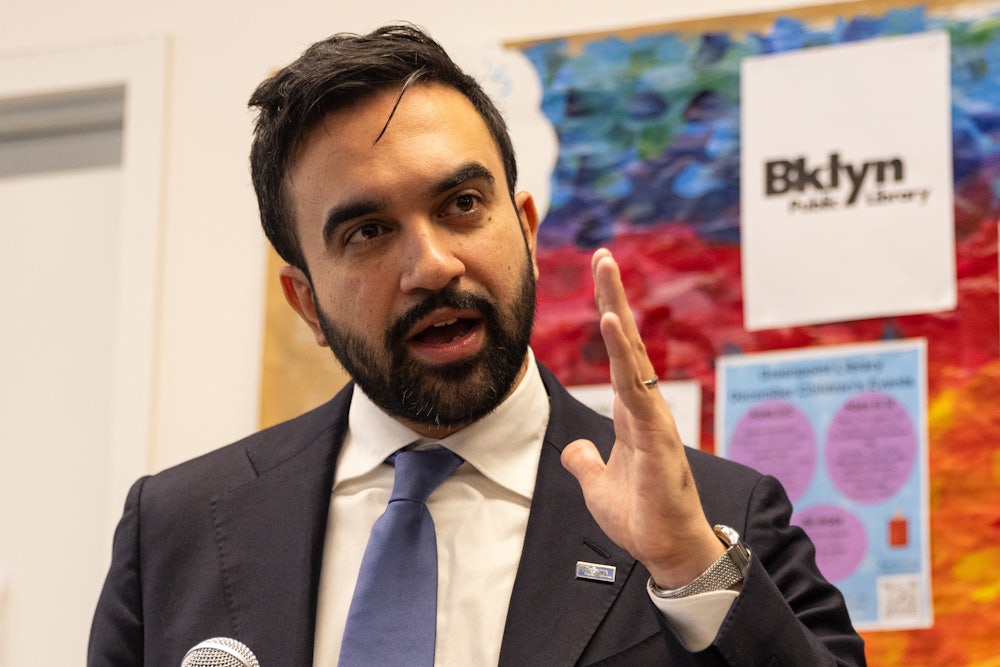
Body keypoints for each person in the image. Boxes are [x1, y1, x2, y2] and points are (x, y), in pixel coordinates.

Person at [88, 23, 866, 666]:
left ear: (525, 230)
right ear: (307, 302)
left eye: (461, 204)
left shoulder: (719, 517)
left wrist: (691, 567)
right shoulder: (177, 529)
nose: (432, 265)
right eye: (367, 231)